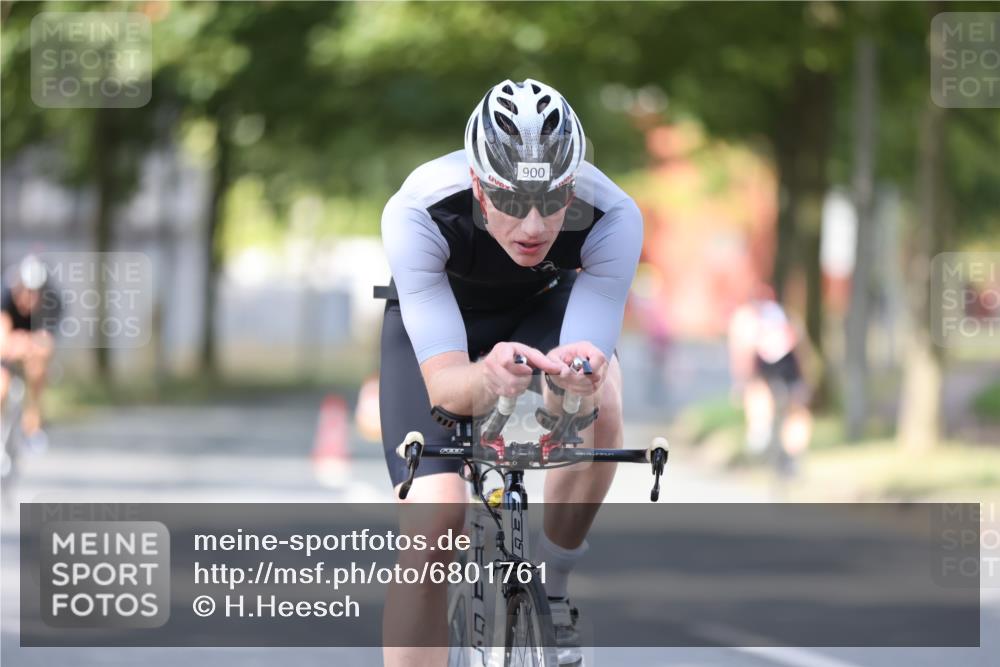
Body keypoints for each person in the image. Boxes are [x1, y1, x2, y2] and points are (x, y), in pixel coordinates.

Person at [379, 79, 642, 666]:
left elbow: (585, 360)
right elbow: (448, 386)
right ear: (478, 185)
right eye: (511, 202)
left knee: (606, 399)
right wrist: (488, 380)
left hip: (541, 305)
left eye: (552, 202)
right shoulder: (418, 210)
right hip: (440, 324)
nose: (532, 226)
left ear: (571, 187)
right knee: (434, 526)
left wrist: (576, 382)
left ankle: (553, 584)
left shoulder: (613, 214)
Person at [727, 290, 812, 476]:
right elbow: (802, 347)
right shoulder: (785, 315)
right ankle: (794, 454)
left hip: (765, 360)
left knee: (757, 388)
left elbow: (744, 353)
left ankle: (760, 429)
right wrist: (804, 381)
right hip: (789, 361)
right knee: (797, 407)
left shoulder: (747, 318)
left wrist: (740, 385)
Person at [1, 255, 61, 452]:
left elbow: (46, 345)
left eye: (35, 294)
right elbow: (3, 340)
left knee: (38, 369)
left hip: (31, 348)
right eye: (25, 292)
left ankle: (32, 425)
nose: (29, 299)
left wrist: (25, 344)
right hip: (12, 342)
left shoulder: (52, 303)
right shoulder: (5, 296)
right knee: (1, 383)